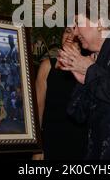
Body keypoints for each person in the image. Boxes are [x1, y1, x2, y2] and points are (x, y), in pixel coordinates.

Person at [58, 3, 110, 160]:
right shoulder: (93, 59)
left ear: (100, 23)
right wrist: (83, 78)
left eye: (78, 23)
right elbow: (76, 114)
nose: (75, 32)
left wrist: (91, 71)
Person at [32, 27, 87, 160]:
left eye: (76, 32)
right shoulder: (47, 66)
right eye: (68, 31)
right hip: (51, 143)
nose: (70, 35)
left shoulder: (89, 69)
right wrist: (37, 148)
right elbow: (37, 110)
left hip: (81, 146)